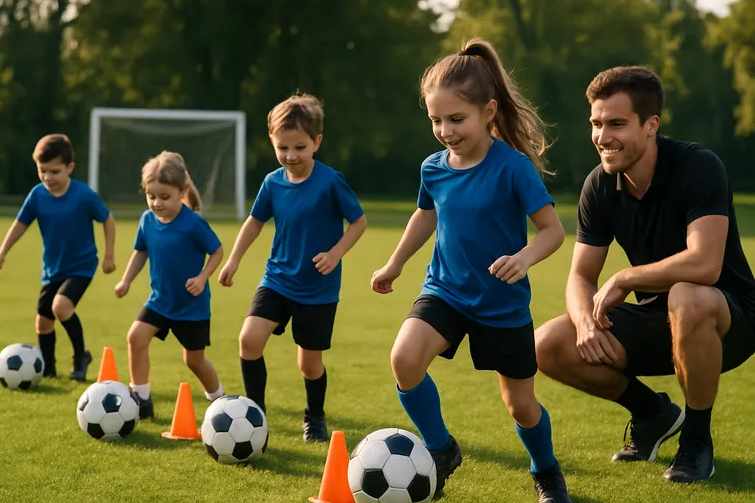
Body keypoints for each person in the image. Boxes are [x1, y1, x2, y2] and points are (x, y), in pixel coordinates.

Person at [371, 38, 571, 502]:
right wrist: (394, 264)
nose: (445, 130)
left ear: (488, 111)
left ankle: (546, 470)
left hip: (501, 305)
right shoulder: (433, 168)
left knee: (520, 406)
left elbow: (551, 231)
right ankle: (442, 449)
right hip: (445, 291)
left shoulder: (513, 167)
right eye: (435, 120)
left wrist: (523, 259)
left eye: (456, 119)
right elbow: (426, 214)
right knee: (404, 360)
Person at [535, 66, 755, 483]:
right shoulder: (599, 186)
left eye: (616, 123)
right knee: (548, 344)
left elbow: (705, 264)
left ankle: (695, 440)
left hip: (730, 318)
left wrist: (624, 279)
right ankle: (652, 414)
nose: (602, 136)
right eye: (596, 124)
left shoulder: (698, 166)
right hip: (661, 321)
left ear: (651, 125)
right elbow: (581, 275)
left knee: (687, 296)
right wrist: (585, 324)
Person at [218, 93, 367, 442]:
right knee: (249, 340)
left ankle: (314, 416)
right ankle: (255, 416)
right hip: (277, 279)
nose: (291, 156)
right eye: (282, 148)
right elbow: (254, 222)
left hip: (318, 288)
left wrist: (334, 254)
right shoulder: (272, 183)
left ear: (316, 142)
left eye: (299, 147)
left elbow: (358, 222)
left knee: (309, 364)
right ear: (272, 142)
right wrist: (234, 259)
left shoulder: (331, 182)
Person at [0, 134, 116, 381]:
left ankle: (80, 358)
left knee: (61, 306)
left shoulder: (83, 195)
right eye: (43, 171)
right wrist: (2, 252)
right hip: (53, 269)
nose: (48, 177)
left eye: (55, 171)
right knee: (43, 324)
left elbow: (107, 220)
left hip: (82, 265)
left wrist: (109, 255)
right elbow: (19, 225)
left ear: (70, 168)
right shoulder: (37, 195)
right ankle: (47, 369)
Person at [115, 151, 224, 419]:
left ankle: (219, 400)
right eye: (151, 196)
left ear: (182, 191)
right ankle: (141, 399)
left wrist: (202, 278)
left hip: (191, 307)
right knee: (136, 338)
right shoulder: (147, 221)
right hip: (160, 301)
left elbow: (218, 251)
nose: (156, 203)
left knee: (194, 361)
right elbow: (141, 252)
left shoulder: (194, 224)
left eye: (164, 197)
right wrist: (126, 280)